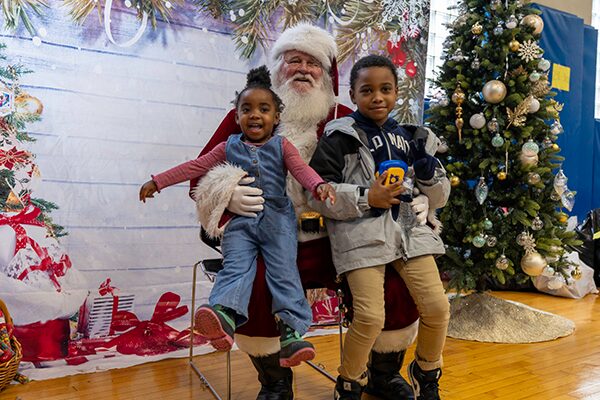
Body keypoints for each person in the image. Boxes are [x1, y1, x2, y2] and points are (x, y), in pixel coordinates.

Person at [190, 23, 432, 400]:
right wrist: (226, 193)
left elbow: (396, 167)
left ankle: (383, 372)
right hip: (268, 237)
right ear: (277, 68)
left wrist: (421, 195)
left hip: (341, 237)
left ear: (328, 74)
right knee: (256, 286)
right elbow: (199, 174)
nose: (303, 69)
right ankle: (275, 381)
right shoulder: (250, 114)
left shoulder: (348, 120)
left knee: (396, 281)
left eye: (313, 63)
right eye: (294, 60)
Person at [139, 66, 336, 368]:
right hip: (241, 224)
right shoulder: (228, 147)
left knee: (283, 271)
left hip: (277, 222)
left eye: (264, 109)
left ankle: (291, 333)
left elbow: (300, 170)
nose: (255, 115)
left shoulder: (282, 145)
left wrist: (318, 185)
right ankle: (224, 317)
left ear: (276, 117)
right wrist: (159, 181)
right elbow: (195, 167)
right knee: (236, 267)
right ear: (237, 117)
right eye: (247, 109)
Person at [308, 54, 450, 400]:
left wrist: (428, 179)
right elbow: (317, 193)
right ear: (353, 95)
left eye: (386, 89)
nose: (377, 97)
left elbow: (440, 195)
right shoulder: (339, 137)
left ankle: (426, 371)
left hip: (409, 232)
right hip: (361, 236)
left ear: (397, 92)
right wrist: (365, 197)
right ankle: (350, 381)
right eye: (367, 90)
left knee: (438, 307)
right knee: (370, 318)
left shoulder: (413, 138)